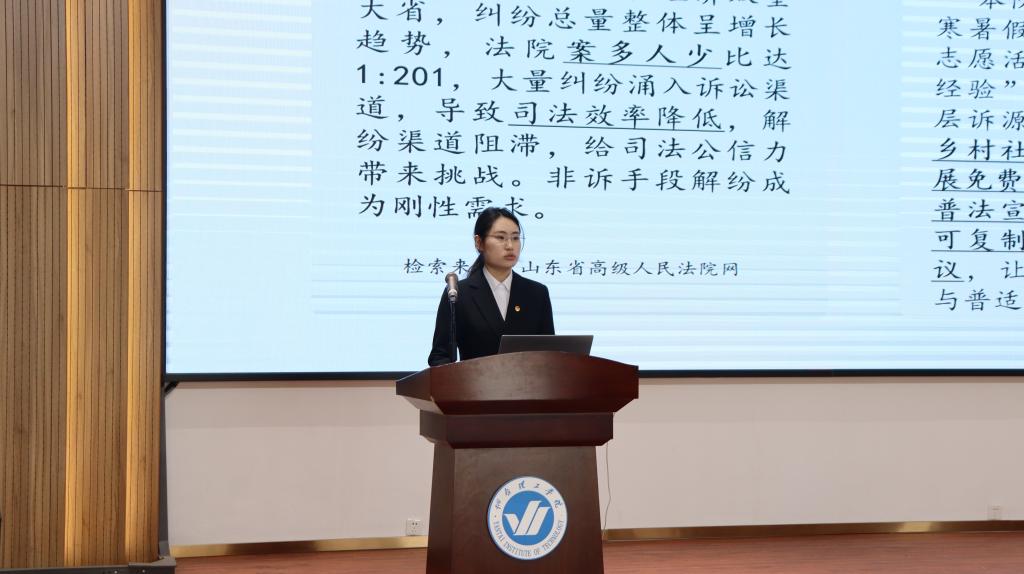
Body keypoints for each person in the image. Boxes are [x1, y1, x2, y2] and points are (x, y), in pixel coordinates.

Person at [428, 207, 554, 366]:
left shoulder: (537, 293)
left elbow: (550, 354)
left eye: (515, 238)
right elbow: (440, 357)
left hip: (527, 382)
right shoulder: (459, 294)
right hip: (475, 382)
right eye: (501, 237)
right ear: (479, 242)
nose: (510, 245)